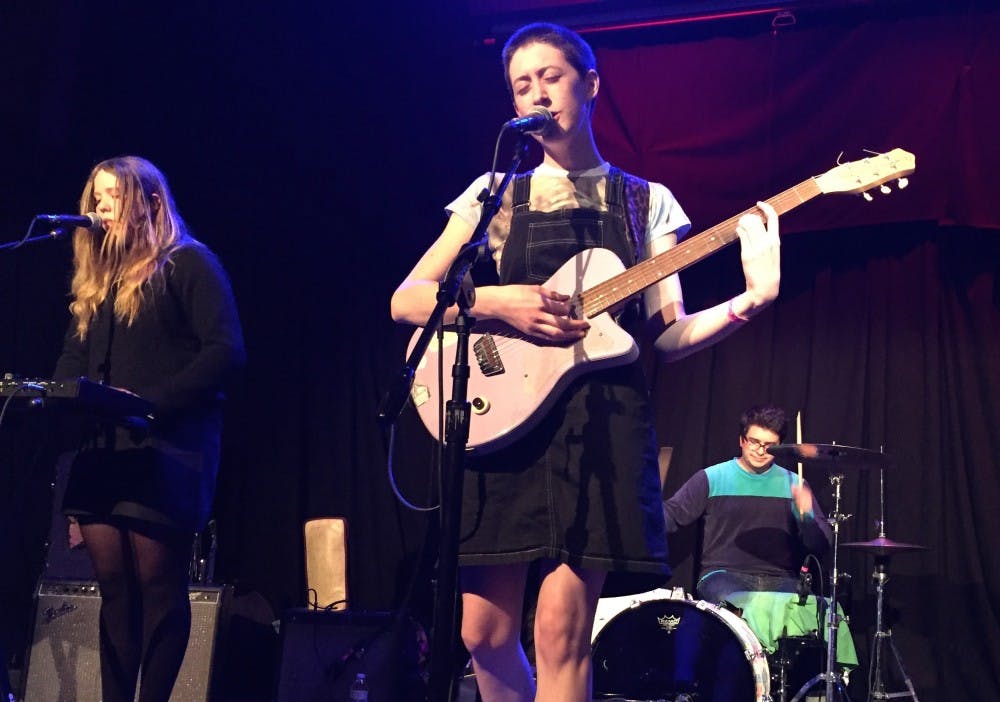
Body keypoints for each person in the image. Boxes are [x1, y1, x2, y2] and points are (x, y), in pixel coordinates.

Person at [390, 22, 780, 702]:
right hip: (498, 419)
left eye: (551, 77)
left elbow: (669, 333)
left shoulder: (643, 201)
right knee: (480, 632)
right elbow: (408, 300)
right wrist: (499, 302)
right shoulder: (494, 196)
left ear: (591, 84)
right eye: (521, 84)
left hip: (598, 426)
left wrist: (751, 299)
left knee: (559, 632)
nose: (536, 92)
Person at [53, 156, 245, 702]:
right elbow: (74, 354)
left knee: (158, 589)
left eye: (114, 195)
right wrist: (62, 395)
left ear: (150, 202)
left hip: (165, 451)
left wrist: (153, 405)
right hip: (104, 453)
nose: (100, 207)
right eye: (96, 195)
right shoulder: (97, 282)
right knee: (113, 592)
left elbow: (225, 353)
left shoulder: (187, 263)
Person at [662, 404, 832, 605]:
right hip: (723, 575)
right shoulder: (712, 477)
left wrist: (807, 518)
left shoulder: (795, 484)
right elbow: (672, 515)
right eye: (754, 442)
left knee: (809, 610)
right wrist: (644, 511)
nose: (761, 451)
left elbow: (820, 546)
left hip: (780, 578)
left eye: (769, 445)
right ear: (742, 440)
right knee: (744, 605)